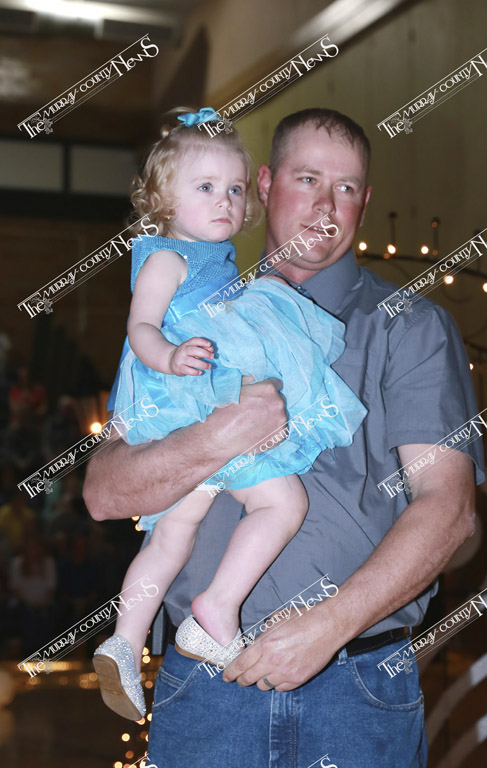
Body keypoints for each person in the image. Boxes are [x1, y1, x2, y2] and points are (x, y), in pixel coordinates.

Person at [84, 108, 484, 767]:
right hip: (205, 687)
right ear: (265, 186)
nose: (327, 205)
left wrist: (328, 626)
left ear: (364, 202)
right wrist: (216, 438)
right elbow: (104, 493)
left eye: (346, 187)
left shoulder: (410, 325)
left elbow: (450, 509)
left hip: (357, 685)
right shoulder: (191, 311)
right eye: (307, 179)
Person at [92, 107, 366, 721]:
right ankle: (217, 608)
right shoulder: (167, 259)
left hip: (195, 398)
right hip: (191, 392)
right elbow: (139, 326)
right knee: (282, 504)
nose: (224, 201)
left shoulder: (213, 259)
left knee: (173, 535)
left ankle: (124, 642)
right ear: (164, 199)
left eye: (235, 190)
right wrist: (170, 356)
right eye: (206, 188)